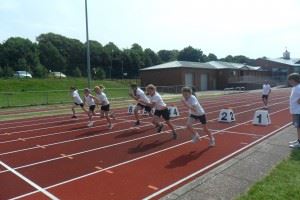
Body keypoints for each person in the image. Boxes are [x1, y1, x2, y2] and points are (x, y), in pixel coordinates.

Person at [288, 73, 300, 148]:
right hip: (295, 110)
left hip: (298, 111)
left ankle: (299, 143)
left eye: (290, 80)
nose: (289, 82)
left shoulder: (298, 87)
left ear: (294, 80)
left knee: (299, 127)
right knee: (298, 127)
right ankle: (298, 140)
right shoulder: (295, 87)